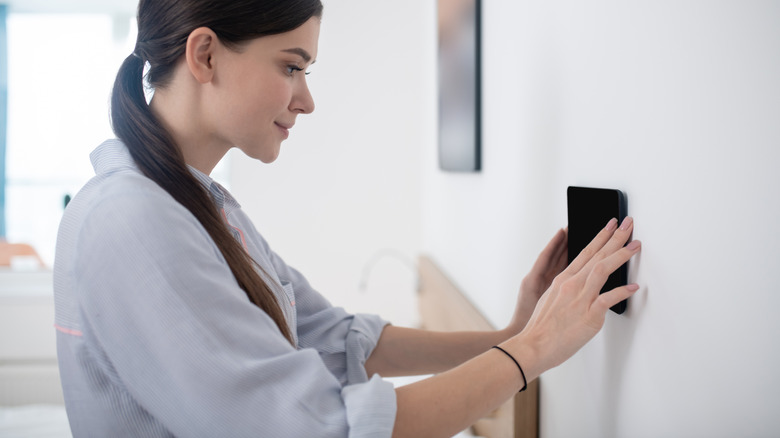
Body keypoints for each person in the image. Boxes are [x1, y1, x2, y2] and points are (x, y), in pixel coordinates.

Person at [52, 0, 642, 437]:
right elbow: (326, 428)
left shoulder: (199, 206)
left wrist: (508, 336)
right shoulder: (133, 222)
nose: (306, 99)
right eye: (291, 66)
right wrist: (535, 350)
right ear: (204, 54)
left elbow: (333, 336)